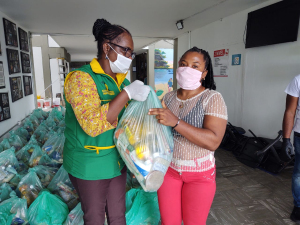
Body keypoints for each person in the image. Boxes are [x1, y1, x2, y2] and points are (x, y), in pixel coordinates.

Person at [63, 18, 150, 225]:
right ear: (107, 47)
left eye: (131, 53)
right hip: (89, 165)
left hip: (116, 161)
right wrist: (127, 94)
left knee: (118, 216)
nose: (129, 57)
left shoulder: (122, 81)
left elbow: (129, 122)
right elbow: (92, 124)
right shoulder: (81, 79)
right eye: (125, 50)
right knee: (94, 218)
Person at [149, 47, 228, 225]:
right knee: (169, 222)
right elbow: (159, 134)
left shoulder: (212, 98)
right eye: (183, 64)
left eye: (195, 66)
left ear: (204, 73)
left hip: (200, 176)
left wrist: (176, 122)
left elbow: (213, 141)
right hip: (168, 170)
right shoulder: (168, 98)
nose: (187, 69)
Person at [281, 74, 300, 223]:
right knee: (299, 173)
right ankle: (298, 206)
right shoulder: (298, 80)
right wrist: (286, 139)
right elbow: (290, 111)